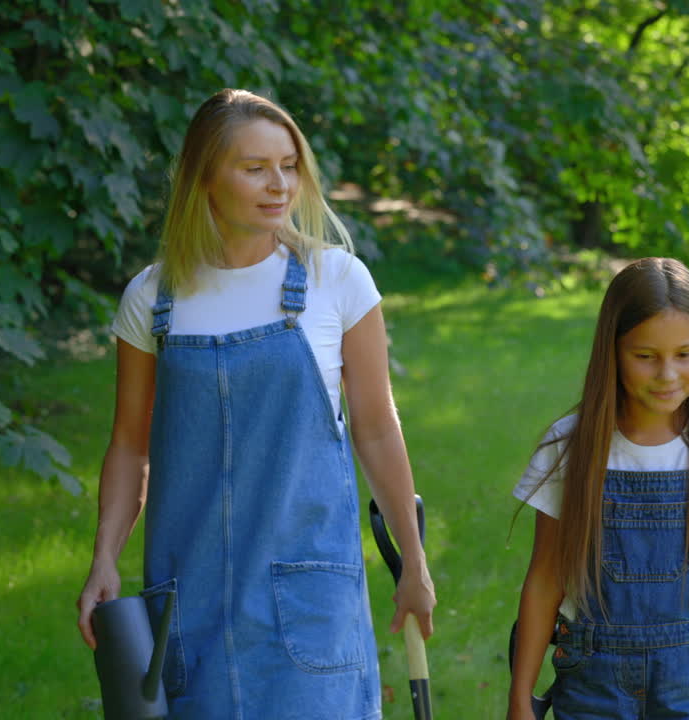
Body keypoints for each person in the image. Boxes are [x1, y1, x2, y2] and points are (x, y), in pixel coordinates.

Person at [75, 88, 435, 719]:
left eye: (289, 166)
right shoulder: (151, 298)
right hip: (189, 595)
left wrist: (413, 561)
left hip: (309, 598)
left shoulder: (338, 281)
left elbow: (376, 430)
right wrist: (104, 556)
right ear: (204, 178)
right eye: (255, 168)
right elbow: (131, 445)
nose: (279, 185)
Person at [508, 258, 689, 720]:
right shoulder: (568, 449)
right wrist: (520, 699)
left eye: (684, 355)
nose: (667, 374)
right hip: (591, 678)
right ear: (612, 350)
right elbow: (545, 576)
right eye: (646, 356)